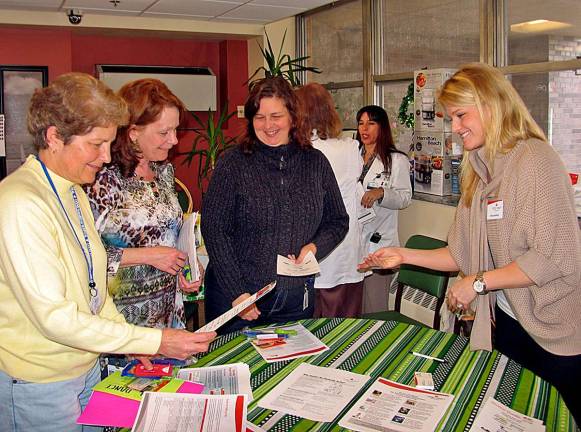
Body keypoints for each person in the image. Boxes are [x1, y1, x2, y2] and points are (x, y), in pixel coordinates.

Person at [359, 63, 581, 423]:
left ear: (492, 105)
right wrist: (400, 255)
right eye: (450, 118)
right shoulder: (479, 168)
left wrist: (478, 283)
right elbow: (458, 252)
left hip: (555, 330)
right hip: (509, 319)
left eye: (461, 115)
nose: (455, 127)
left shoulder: (536, 161)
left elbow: (553, 259)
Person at [0, 73, 215, 432]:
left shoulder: (69, 189)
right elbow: (55, 318)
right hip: (43, 384)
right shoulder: (21, 202)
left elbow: (95, 287)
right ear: (54, 137)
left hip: (84, 366)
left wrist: (132, 343)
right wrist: (153, 340)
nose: (105, 156)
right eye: (96, 144)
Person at [201, 76, 348, 334]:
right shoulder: (232, 164)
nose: (268, 125)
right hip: (237, 300)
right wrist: (238, 293)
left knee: (288, 372)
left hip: (295, 299)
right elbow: (214, 229)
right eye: (259, 117)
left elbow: (338, 220)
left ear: (293, 116)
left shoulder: (315, 163)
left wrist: (315, 247)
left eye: (276, 116)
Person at [87, 78, 202, 331]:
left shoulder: (164, 173)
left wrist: (185, 267)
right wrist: (150, 256)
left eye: (175, 130)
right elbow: (82, 255)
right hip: (121, 320)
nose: (173, 140)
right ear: (132, 132)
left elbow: (168, 238)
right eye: (164, 132)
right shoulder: (102, 179)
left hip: (169, 315)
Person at [295, 83, 364, 317]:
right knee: (349, 321)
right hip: (348, 245)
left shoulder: (304, 152)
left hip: (317, 246)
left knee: (317, 325)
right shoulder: (351, 147)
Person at [357, 105, 412, 314]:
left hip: (379, 243)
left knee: (374, 309)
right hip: (354, 244)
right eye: (361, 123)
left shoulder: (396, 160)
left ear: (382, 128)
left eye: (371, 123)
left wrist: (382, 192)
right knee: (354, 310)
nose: (365, 128)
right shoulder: (352, 156)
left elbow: (405, 198)